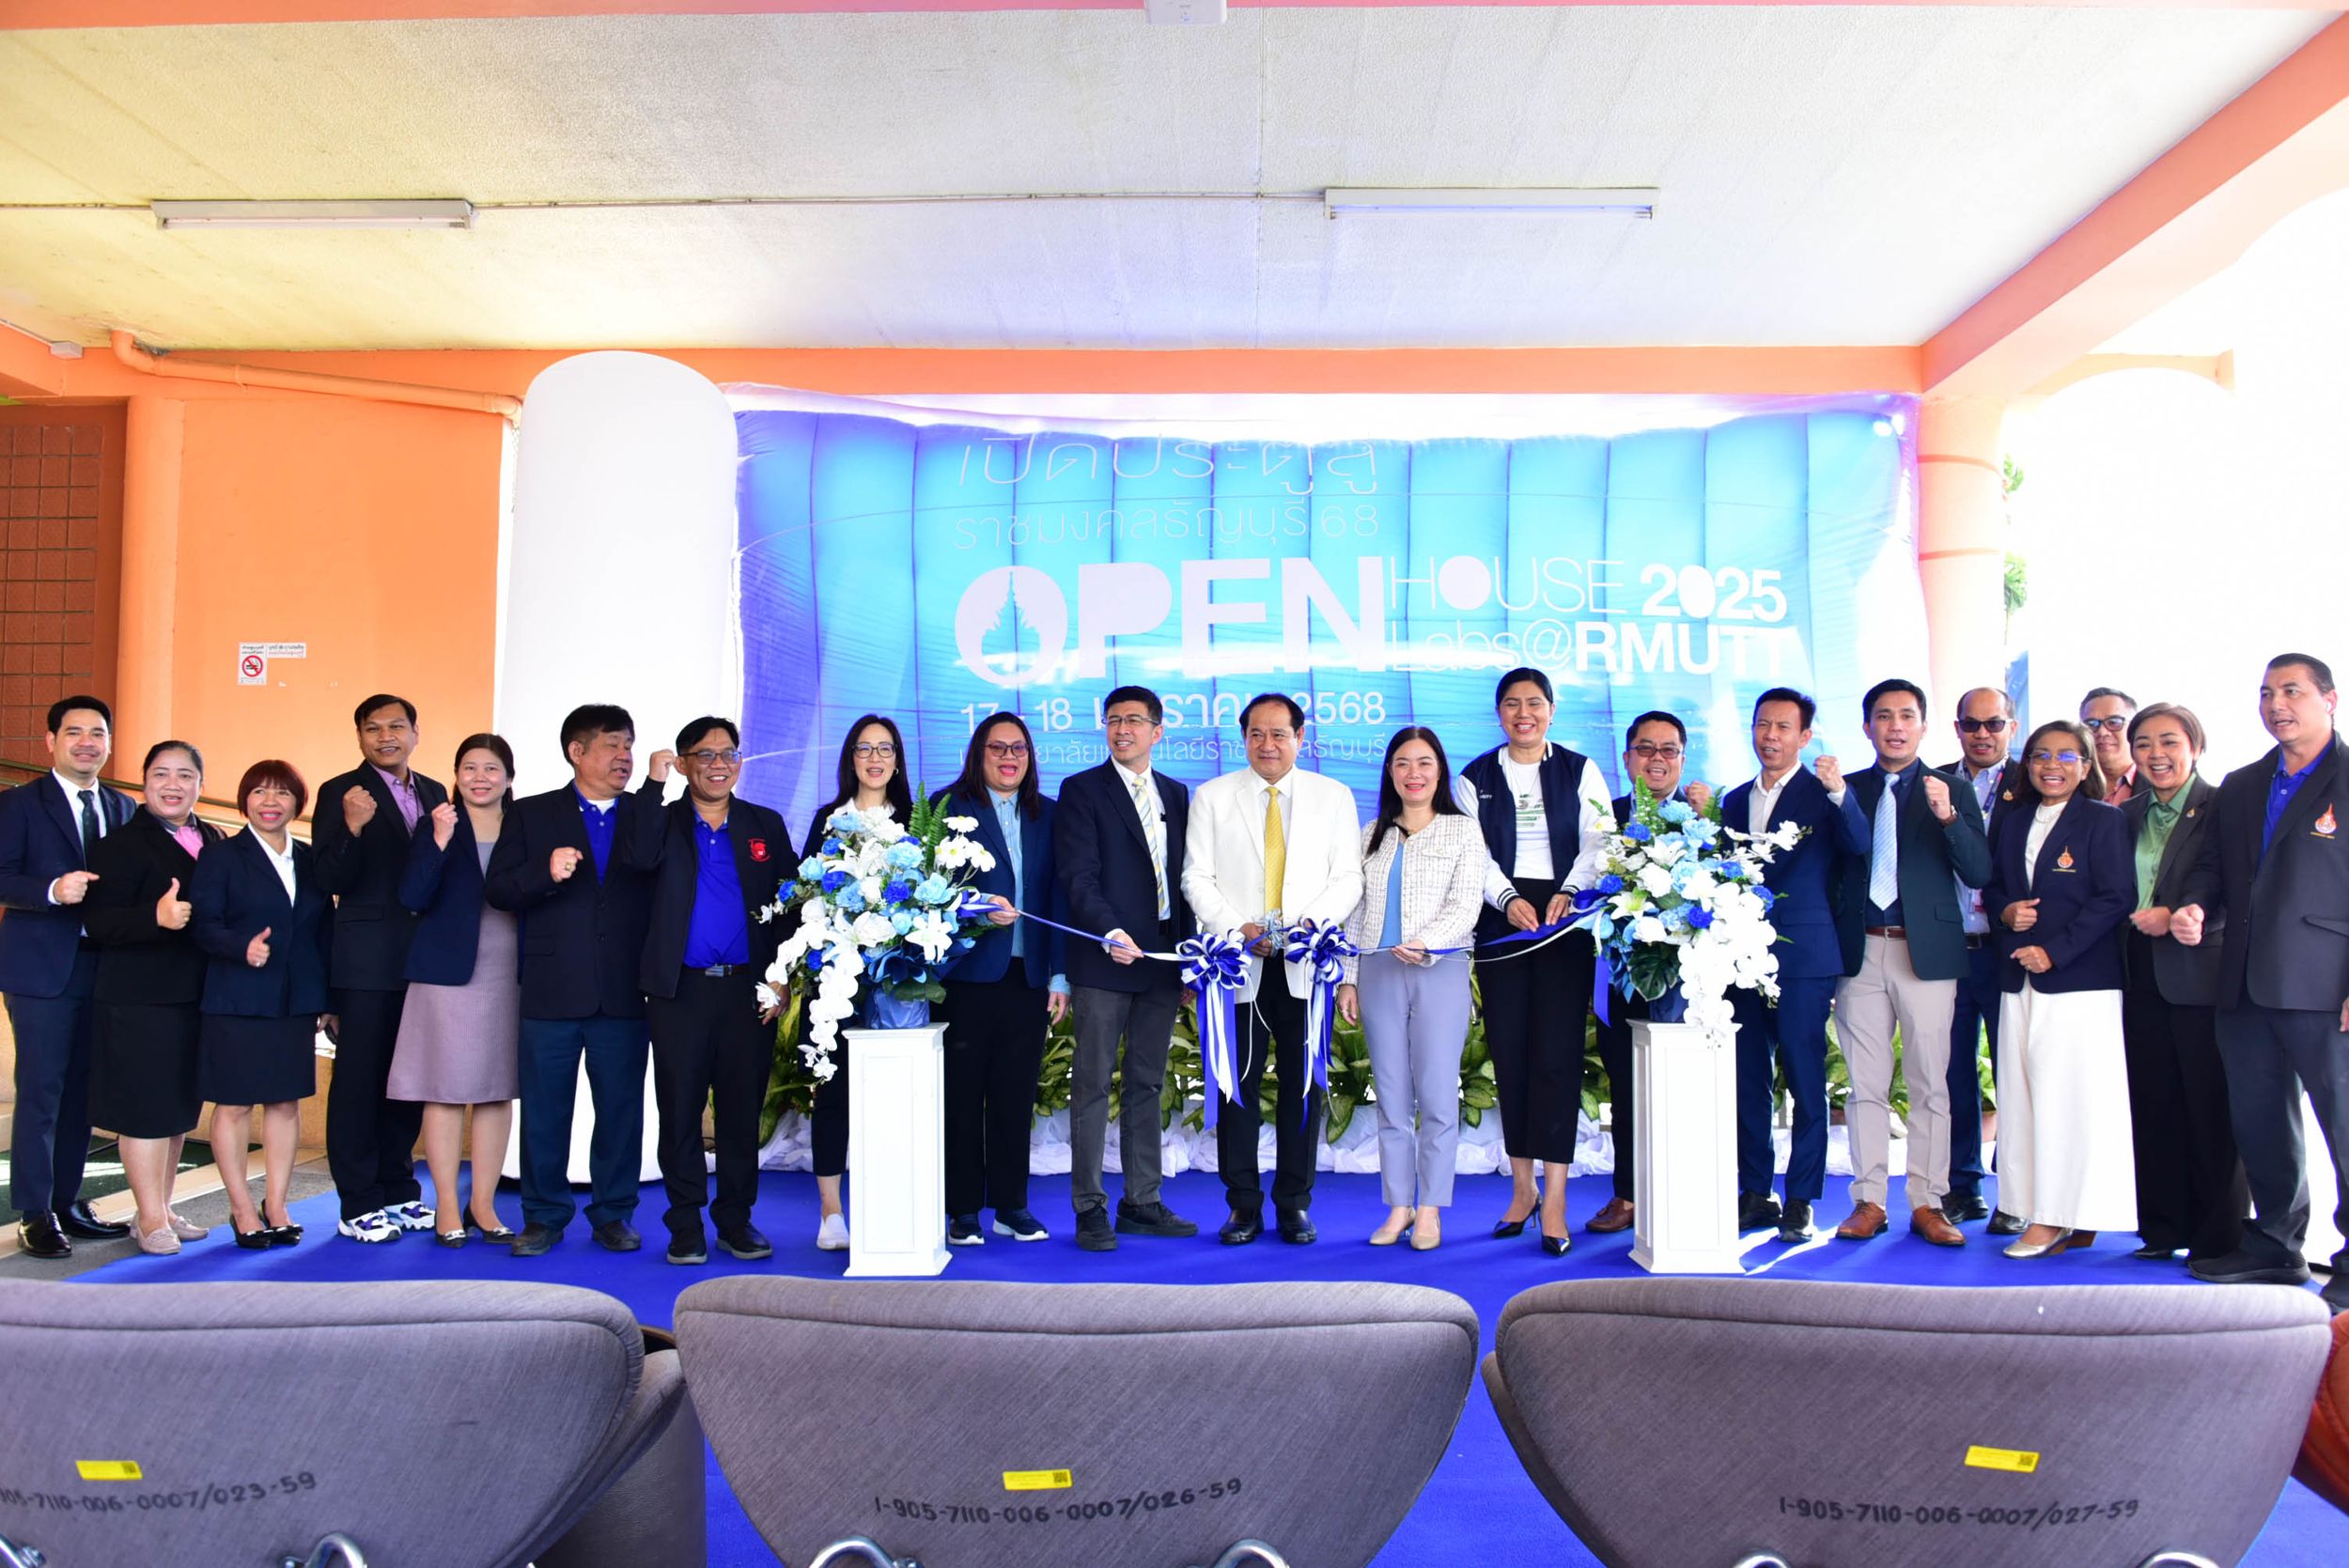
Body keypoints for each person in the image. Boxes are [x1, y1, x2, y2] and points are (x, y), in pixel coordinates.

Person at [2174, 653, 2349, 1313]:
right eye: (2267, 692)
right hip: (2244, 984)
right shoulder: (2244, 784)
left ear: (2329, 699)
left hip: (2326, 989)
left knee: (2345, 1126)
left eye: (2292, 691)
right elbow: (2213, 869)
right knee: (2261, 1123)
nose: (2277, 704)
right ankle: (2276, 1244)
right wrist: (2196, 907)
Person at [1183, 692, 1364, 1247]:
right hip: (1238, 966)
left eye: (1279, 734)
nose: (1268, 744)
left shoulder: (1333, 797)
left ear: (1300, 738)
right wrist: (1239, 928)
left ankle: (1294, 1203)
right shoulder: (1213, 797)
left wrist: (1309, 927)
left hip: (1306, 966)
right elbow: (1196, 878)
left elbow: (1348, 878)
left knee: (1302, 1087)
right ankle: (1242, 1204)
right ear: (1244, 739)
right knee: (1235, 1087)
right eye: (1256, 734)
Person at [485, 704, 663, 1259]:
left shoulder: (646, 812)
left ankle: (614, 1213)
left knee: (621, 1112)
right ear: (577, 752)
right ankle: (543, 1216)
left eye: (629, 745)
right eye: (612, 745)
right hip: (551, 987)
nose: (624, 756)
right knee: (545, 1112)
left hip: (624, 989)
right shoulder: (531, 813)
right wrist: (544, 872)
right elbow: (499, 890)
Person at [1827, 677, 1993, 1245]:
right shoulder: (1845, 790)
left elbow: (1979, 872)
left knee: (1930, 1084)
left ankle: (1928, 1201)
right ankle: (1869, 1201)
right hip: (1861, 951)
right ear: (1867, 726)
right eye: (1883, 716)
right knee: (1865, 1086)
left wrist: (1948, 818)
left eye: (1906, 716)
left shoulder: (1952, 789)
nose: (1895, 726)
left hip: (1929, 954)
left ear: (1923, 726)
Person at [1453, 667, 1610, 1255]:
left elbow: (1600, 840)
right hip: (1503, 924)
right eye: (1513, 704)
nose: (1525, 714)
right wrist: (1507, 898)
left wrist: (1570, 890)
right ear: (1499, 714)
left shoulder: (1580, 769)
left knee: (1557, 1060)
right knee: (1512, 1055)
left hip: (1564, 921)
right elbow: (1472, 853)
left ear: (1551, 710)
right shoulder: (1474, 778)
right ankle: (1522, 1190)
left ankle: (1558, 1199)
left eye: (1536, 703)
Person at [635, 718, 796, 1267]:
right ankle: (685, 1224)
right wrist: (653, 787)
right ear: (683, 763)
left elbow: (790, 907)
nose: (719, 765)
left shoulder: (764, 824)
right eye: (705, 755)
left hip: (748, 992)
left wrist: (781, 976)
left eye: (729, 754)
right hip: (679, 992)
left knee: (740, 1112)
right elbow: (636, 857)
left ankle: (735, 1219)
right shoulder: (661, 822)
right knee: (679, 1110)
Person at [1983, 721, 2137, 1257]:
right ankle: (2036, 1207)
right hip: (2018, 978)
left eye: (2067, 756)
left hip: (2079, 984)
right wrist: (2006, 912)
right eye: (2041, 755)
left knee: (2069, 1102)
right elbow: (1994, 887)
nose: (2052, 765)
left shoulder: (2104, 819)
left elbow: (2116, 897)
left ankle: (2057, 1217)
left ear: (2086, 765)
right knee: (2023, 1099)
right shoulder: (2014, 820)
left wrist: (2055, 950)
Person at [1053, 686, 1196, 1253]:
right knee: (1091, 1085)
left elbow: (1185, 881)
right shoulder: (1082, 790)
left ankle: (1142, 1200)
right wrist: (1110, 932)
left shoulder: (1177, 794)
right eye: (1113, 720)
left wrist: (1189, 958)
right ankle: (1089, 1206)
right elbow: (1078, 877)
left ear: (1157, 731)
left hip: (1161, 962)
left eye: (1134, 720)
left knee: (1148, 1082)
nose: (1122, 730)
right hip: (1104, 958)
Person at [1337, 727, 1489, 1250]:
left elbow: (1466, 905)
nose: (1414, 773)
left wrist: (1428, 942)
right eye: (1403, 763)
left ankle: (1430, 1210)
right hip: (1378, 970)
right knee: (1391, 1095)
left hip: (1440, 969)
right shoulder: (1372, 833)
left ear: (1440, 770)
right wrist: (1350, 977)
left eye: (1424, 762)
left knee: (1438, 1094)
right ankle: (1398, 1206)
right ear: (1390, 772)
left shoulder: (1462, 831)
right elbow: (1356, 911)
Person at [1723, 690, 1863, 1244]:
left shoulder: (1823, 793)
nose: (1770, 736)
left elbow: (1858, 844)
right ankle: (1756, 1192)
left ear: (1805, 736)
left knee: (1806, 1080)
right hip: (1739, 957)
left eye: (1783, 727)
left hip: (1803, 956)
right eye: (1763, 725)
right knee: (1747, 1079)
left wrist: (1840, 793)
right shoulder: (1734, 800)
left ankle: (1801, 1198)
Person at [0, 695, 136, 1259]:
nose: (87, 742)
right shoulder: (19, 804)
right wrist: (53, 890)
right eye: (74, 732)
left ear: (109, 743)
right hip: (41, 969)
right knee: (42, 1089)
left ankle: (66, 1200)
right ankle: (34, 1212)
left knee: (84, 1090)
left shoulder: (123, 806)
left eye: (97, 733)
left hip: (104, 967)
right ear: (51, 742)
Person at [310, 694, 449, 1244]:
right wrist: (352, 827)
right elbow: (329, 879)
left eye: (396, 726)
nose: (385, 736)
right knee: (359, 1084)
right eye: (373, 728)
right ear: (360, 737)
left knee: (408, 1082)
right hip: (366, 964)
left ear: (415, 733)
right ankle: (359, 1200)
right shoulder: (341, 792)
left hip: (423, 961)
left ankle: (398, 1189)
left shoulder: (435, 792)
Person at [83, 741, 224, 1254]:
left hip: (197, 993)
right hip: (139, 997)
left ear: (200, 784)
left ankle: (163, 1208)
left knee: (177, 1109)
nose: (173, 785)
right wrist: (154, 918)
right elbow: (98, 922)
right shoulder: (118, 844)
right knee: (146, 1110)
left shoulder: (214, 838)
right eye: (161, 774)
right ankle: (146, 1218)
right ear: (144, 783)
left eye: (185, 775)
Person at [2117, 703, 2246, 1264]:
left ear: (2195, 746)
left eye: (2169, 742)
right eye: (2143, 744)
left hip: (2199, 973)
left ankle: (2219, 1238)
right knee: (2154, 1103)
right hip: (2137, 973)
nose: (2156, 754)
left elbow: (2228, 882)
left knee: (2210, 1107)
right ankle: (2163, 1228)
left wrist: (2185, 914)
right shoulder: (2126, 813)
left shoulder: (2222, 806)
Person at [385, 734, 522, 1248]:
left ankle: (483, 1203)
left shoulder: (525, 824)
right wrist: (440, 841)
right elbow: (412, 895)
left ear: (509, 777)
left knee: (496, 1089)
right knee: (442, 1090)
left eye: (491, 768)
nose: (479, 778)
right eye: (469, 768)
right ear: (456, 775)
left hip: (508, 968)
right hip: (445, 971)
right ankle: (446, 1202)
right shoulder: (436, 822)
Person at [937, 712, 1068, 1246]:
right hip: (967, 975)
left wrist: (1060, 976)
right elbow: (931, 888)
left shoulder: (1049, 814)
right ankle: (963, 1209)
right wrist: (973, 907)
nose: (1009, 757)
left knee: (1015, 1097)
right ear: (978, 754)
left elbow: (1059, 897)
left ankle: (1012, 1206)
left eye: (1018, 748)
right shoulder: (949, 807)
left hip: (1028, 977)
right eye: (998, 748)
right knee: (962, 1096)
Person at [191, 760, 331, 1249]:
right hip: (237, 997)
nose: (270, 802)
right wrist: (240, 947)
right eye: (259, 792)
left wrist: (326, 998)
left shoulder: (311, 859)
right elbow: (202, 924)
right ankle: (241, 1207)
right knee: (234, 1104)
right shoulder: (221, 857)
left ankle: (277, 1203)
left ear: (298, 803)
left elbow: (323, 932)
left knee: (285, 1102)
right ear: (243, 800)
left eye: (282, 793)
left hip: (294, 1001)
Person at [1587, 710, 1713, 1234]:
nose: (1656, 759)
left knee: (1686, 1088)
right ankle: (1628, 1194)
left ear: (1682, 758)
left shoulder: (1703, 818)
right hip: (1620, 976)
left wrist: (1711, 826)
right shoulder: (1605, 819)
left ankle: (1685, 1195)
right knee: (1626, 1084)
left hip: (1689, 980)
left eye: (1668, 750)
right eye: (1645, 749)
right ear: (1627, 758)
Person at [801, 714, 915, 1250]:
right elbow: (806, 896)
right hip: (836, 978)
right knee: (834, 1093)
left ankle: (895, 1203)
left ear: (897, 760)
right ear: (851, 759)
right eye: (865, 749)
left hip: (899, 980)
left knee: (895, 1095)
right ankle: (831, 1213)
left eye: (885, 749)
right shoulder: (829, 821)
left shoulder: (917, 821)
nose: (875, 758)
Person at [1940, 686, 2027, 1231]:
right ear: (1957, 729)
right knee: (1953, 1073)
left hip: (2007, 949)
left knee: (2015, 1073)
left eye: (1993, 724)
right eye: (1971, 724)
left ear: (2011, 728)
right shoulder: (1934, 782)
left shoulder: (2031, 783)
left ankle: (2016, 1193)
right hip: (1949, 948)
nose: (1982, 734)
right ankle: (1963, 1186)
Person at [2081, 687, 2139, 805]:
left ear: (2134, 728)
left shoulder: (2158, 783)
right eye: (2091, 724)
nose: (2102, 732)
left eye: (2113, 722)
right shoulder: (2070, 786)